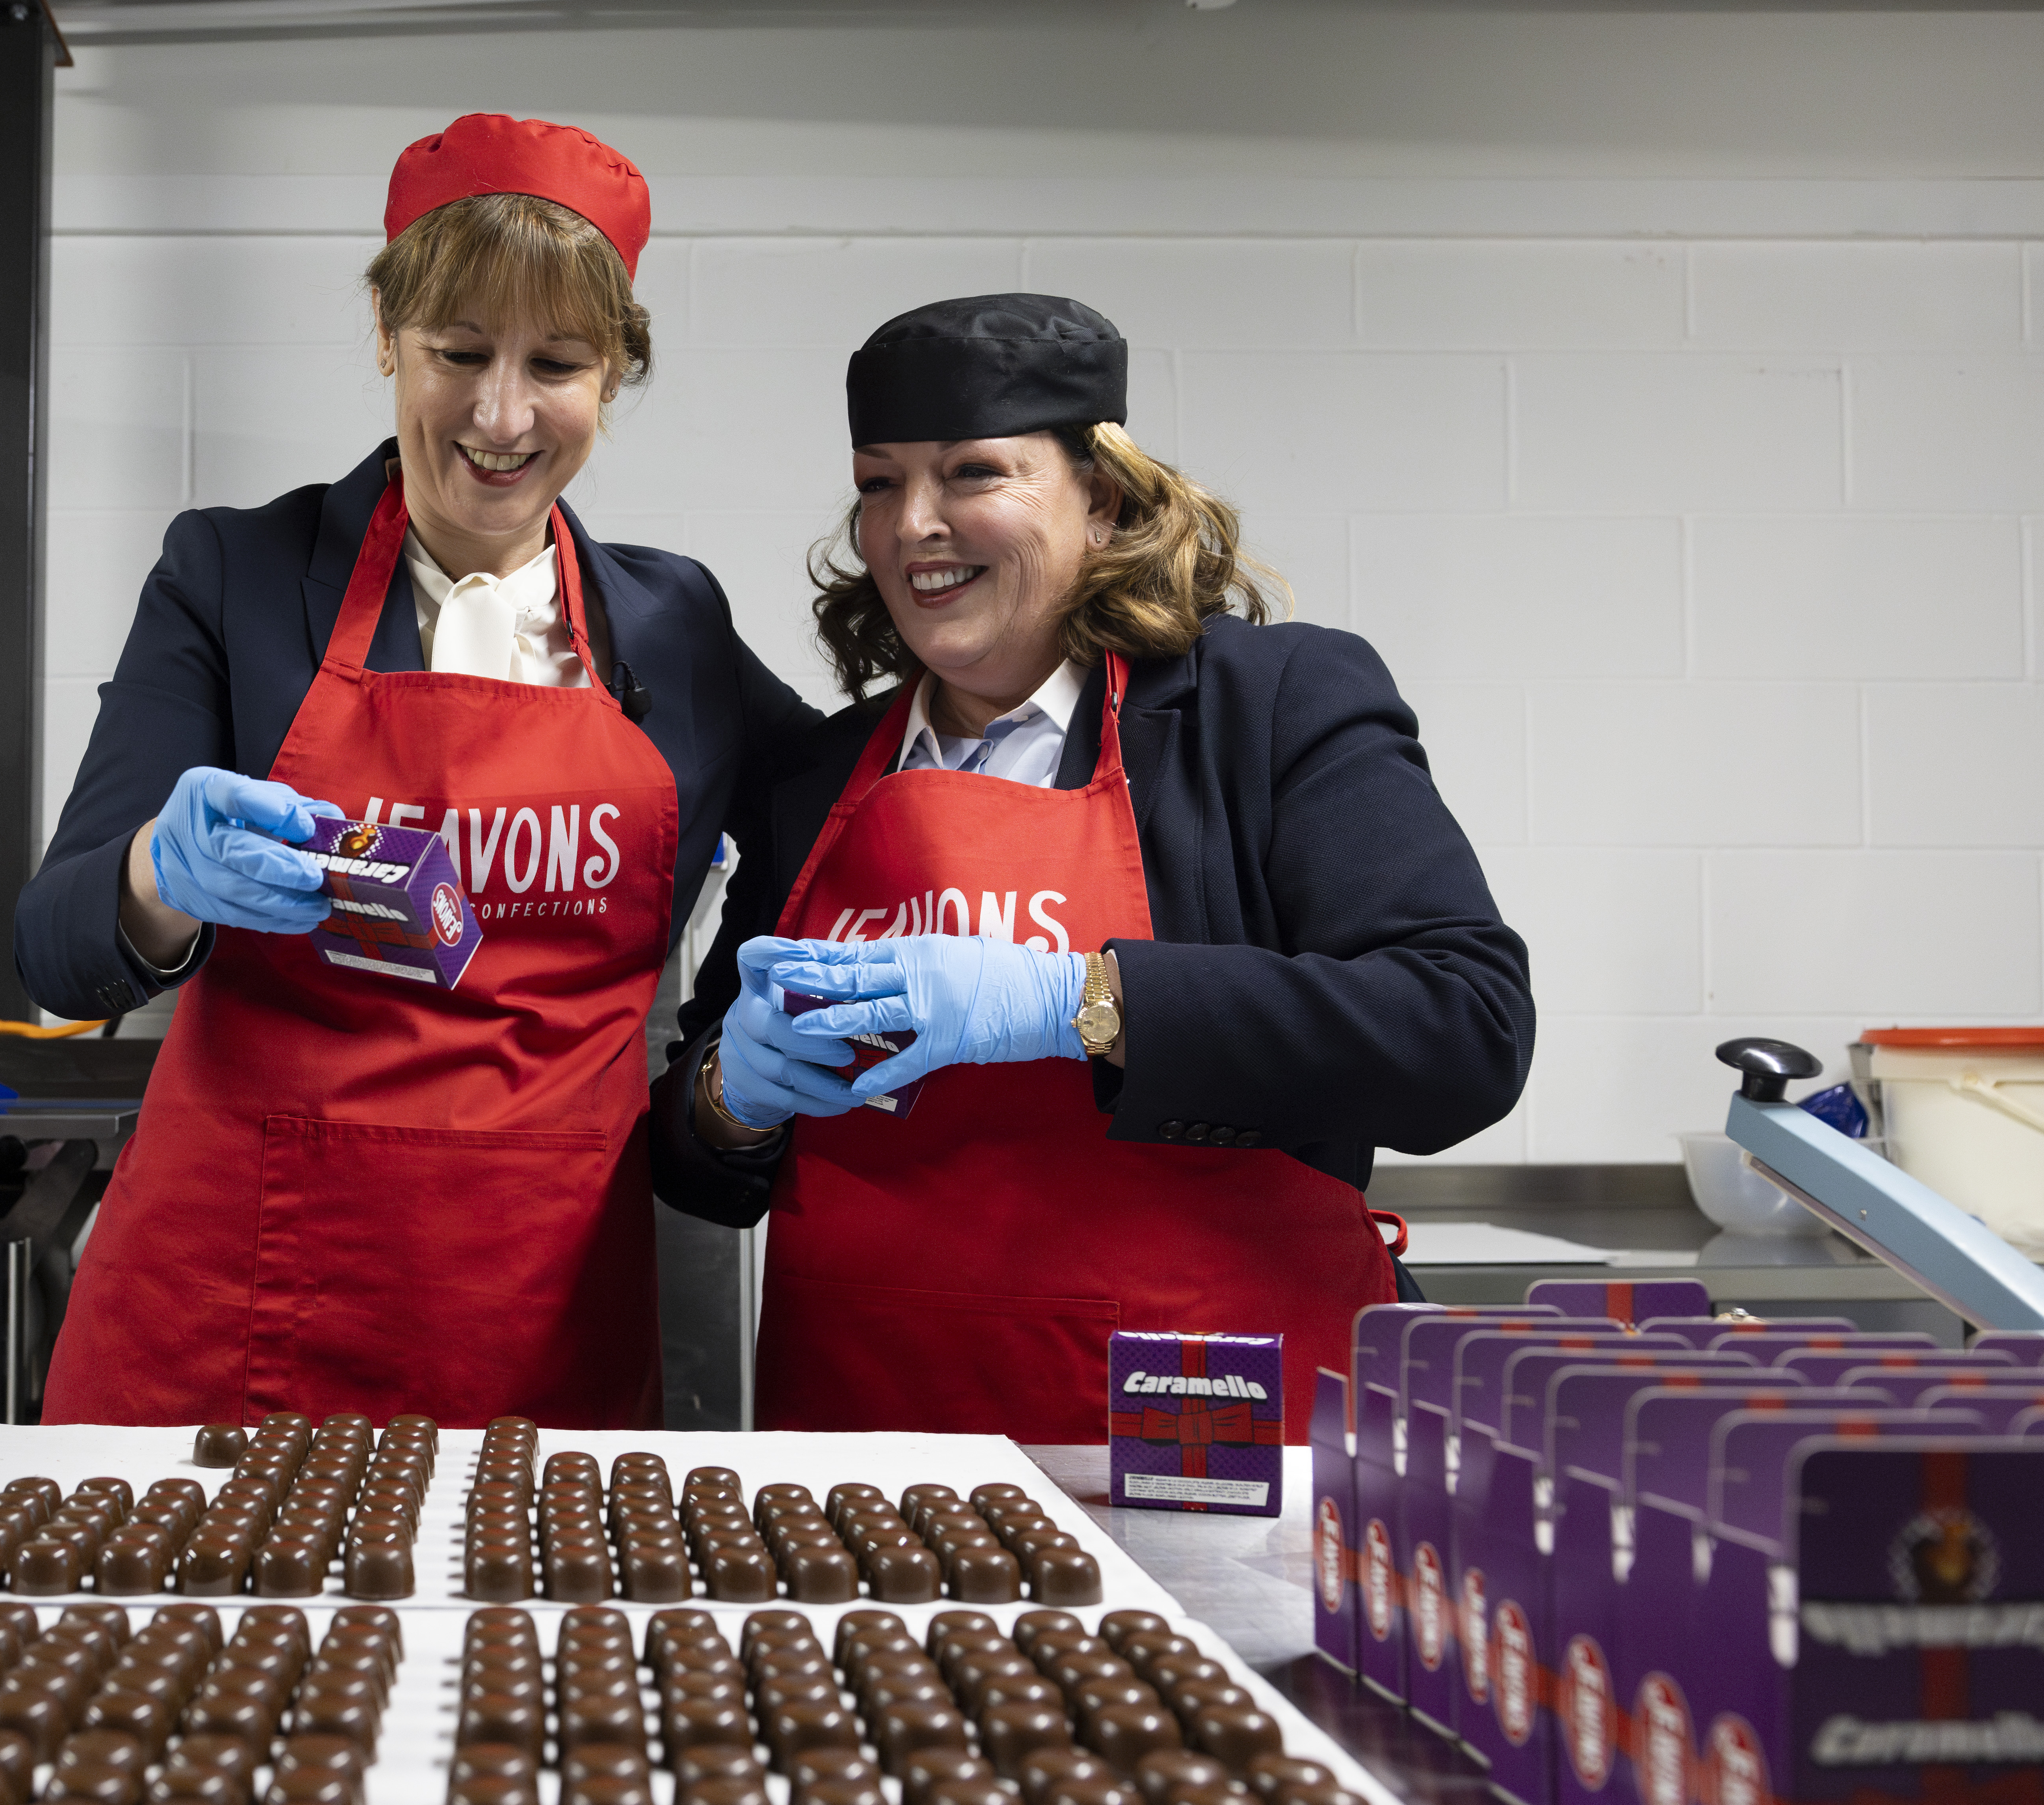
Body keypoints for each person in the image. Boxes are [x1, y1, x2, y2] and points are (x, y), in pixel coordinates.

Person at [24, 115, 815, 1429]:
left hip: (540, 1328)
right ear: (387, 337)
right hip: (233, 1328)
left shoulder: (677, 632)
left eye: (555, 363)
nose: (501, 417)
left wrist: (737, 1025)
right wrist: (163, 874)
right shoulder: (236, 577)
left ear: (612, 376)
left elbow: (837, 805)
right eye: (458, 353)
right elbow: (51, 955)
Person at [650, 294, 1532, 1437]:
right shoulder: (818, 776)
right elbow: (699, 1163)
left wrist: (1081, 1001)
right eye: (880, 482)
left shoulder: (1263, 714)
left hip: (1205, 1452)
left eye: (973, 473)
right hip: (867, 1470)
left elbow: (1464, 1028)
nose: (914, 522)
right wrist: (728, 1095)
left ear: (1103, 500)